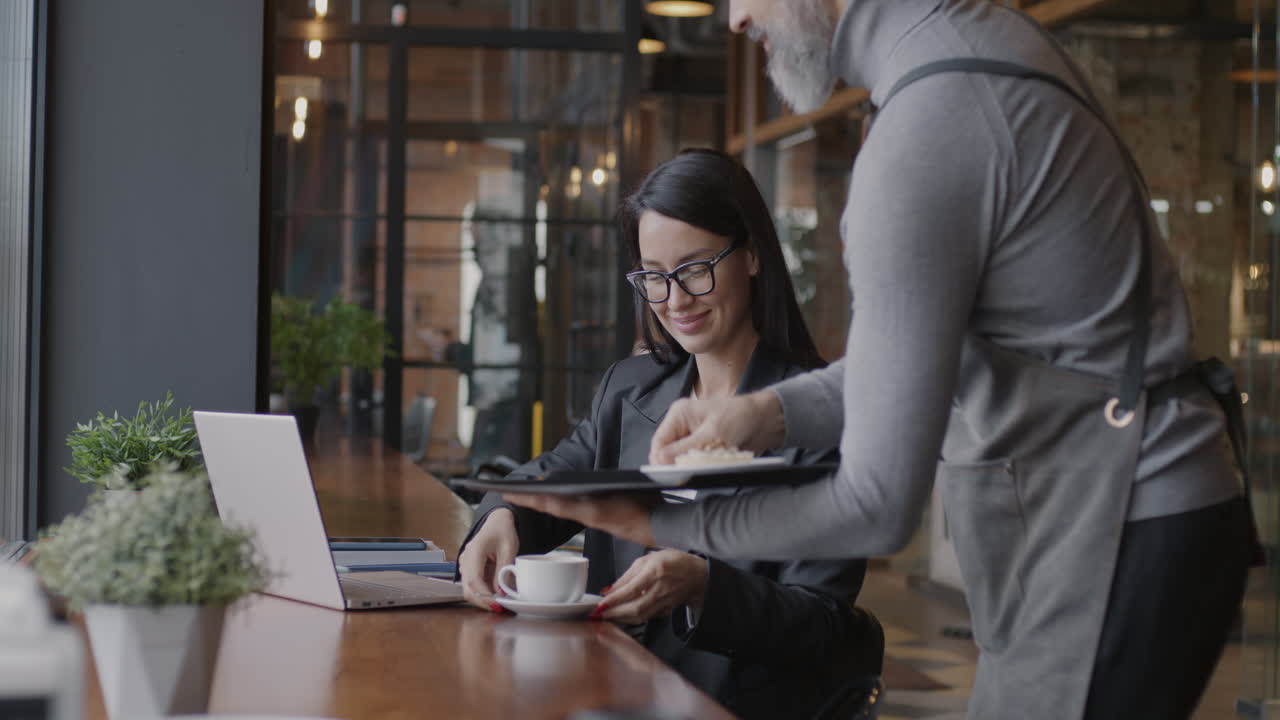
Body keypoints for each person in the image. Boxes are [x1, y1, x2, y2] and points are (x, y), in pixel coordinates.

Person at [506, 2, 1254, 719]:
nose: (733, 17)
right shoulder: (978, 45)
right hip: (1116, 510)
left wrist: (663, 523)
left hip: (1114, 519)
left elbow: (877, 505)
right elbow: (912, 366)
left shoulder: (924, 124)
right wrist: (764, 413)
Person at [458, 149, 883, 719]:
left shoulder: (816, 415)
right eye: (654, 278)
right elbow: (559, 474)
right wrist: (503, 514)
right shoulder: (631, 390)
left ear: (753, 254)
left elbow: (825, 624)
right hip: (609, 693)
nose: (675, 300)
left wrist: (705, 586)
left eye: (696, 269)